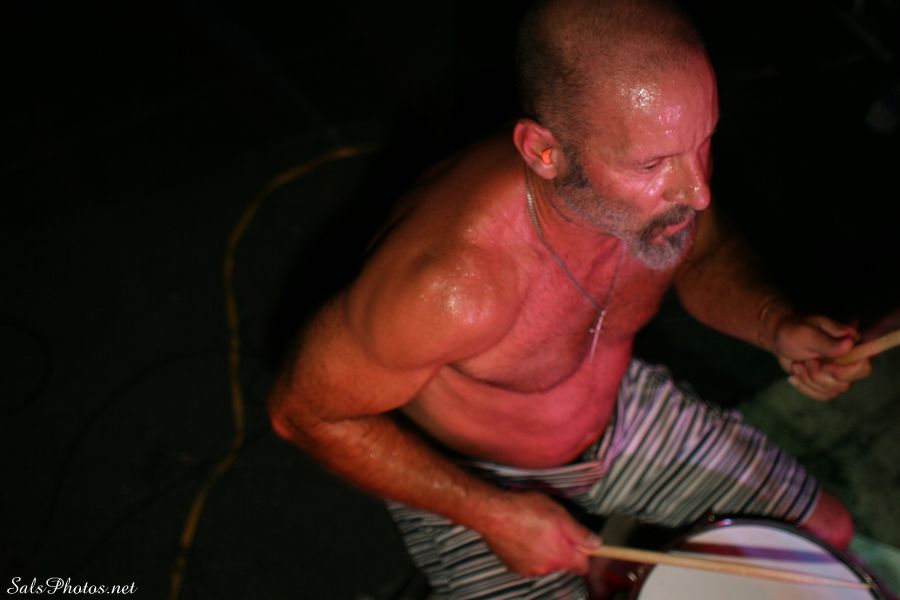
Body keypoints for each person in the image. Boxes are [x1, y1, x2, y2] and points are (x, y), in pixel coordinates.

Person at [267, 0, 873, 597]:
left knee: (823, 541)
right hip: (471, 472)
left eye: (704, 140)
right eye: (653, 163)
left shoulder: (667, 177)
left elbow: (704, 253)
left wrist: (773, 322)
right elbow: (304, 412)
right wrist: (491, 515)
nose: (697, 190)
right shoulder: (450, 284)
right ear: (544, 153)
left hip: (619, 411)